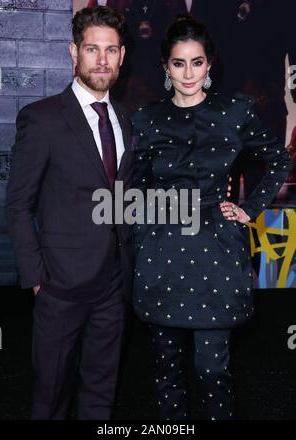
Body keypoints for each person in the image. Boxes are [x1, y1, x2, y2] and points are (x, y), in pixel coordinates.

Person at [131, 15, 291, 420]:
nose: (189, 73)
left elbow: (277, 160)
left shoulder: (234, 112)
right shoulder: (146, 120)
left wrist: (248, 208)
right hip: (161, 253)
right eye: (179, 63)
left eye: (197, 62)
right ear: (165, 67)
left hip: (215, 252)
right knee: (166, 372)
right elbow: (134, 187)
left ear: (209, 64)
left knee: (211, 370)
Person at [6, 6, 133, 420]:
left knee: (101, 395)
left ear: (122, 56)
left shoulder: (126, 122)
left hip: (112, 286)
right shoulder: (41, 119)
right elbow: (19, 204)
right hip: (59, 287)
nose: (102, 60)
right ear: (72, 52)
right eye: (92, 49)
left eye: (110, 50)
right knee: (50, 398)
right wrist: (38, 280)